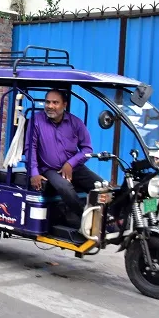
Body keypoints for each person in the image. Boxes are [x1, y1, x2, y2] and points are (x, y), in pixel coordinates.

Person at [28, 89, 102, 226]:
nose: (50, 106)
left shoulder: (76, 123)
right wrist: (34, 173)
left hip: (74, 168)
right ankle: (86, 219)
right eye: (48, 102)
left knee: (101, 186)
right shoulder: (36, 120)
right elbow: (30, 148)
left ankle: (111, 218)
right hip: (49, 169)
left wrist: (71, 164)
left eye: (55, 102)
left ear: (64, 105)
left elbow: (87, 149)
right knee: (65, 188)